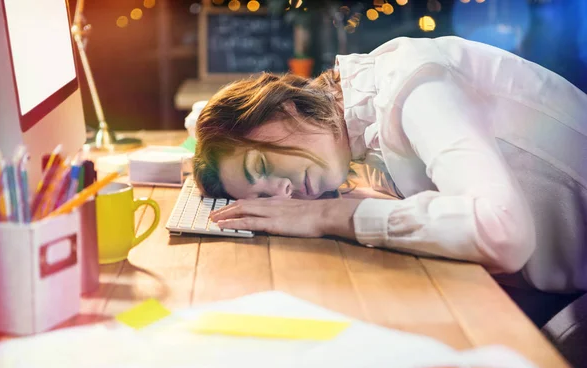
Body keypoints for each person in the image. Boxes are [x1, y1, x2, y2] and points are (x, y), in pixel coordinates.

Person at [193, 36, 587, 327]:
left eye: (260, 167)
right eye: (265, 197)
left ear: (284, 106)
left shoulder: (410, 84)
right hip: (547, 290)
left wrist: (331, 216)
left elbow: (502, 233)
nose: (283, 193)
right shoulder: (355, 126)